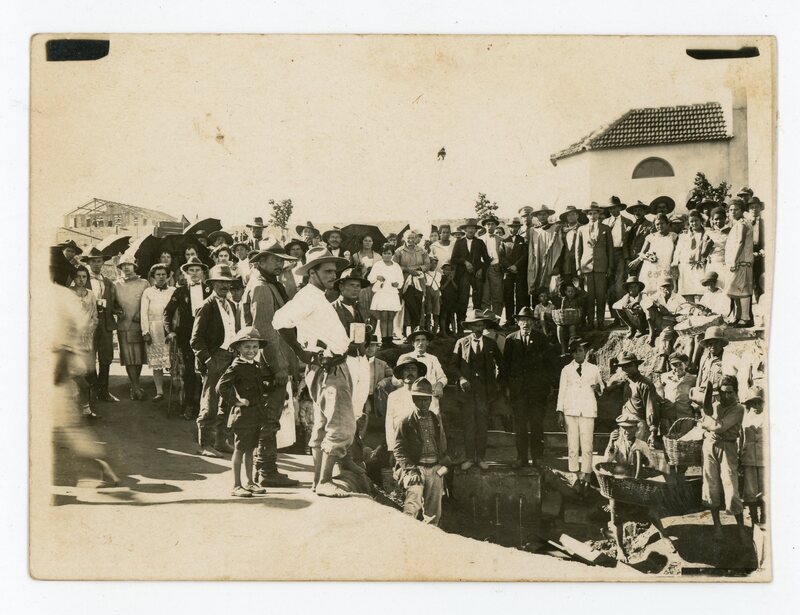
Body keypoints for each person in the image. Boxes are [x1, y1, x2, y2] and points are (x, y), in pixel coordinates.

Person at [273, 249, 356, 498]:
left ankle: (318, 480)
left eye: (334, 271)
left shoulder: (318, 296)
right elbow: (279, 321)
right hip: (328, 368)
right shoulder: (308, 296)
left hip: (332, 365)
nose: (333, 276)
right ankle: (325, 481)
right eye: (327, 271)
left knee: (322, 425)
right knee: (341, 426)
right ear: (312, 272)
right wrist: (300, 352)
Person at [241, 241, 301, 486]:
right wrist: (278, 367)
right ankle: (266, 470)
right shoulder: (261, 287)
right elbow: (264, 330)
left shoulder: (267, 283)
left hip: (270, 359)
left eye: (281, 260)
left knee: (270, 417)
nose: (280, 264)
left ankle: (264, 468)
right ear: (261, 261)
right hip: (268, 363)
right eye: (275, 259)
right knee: (270, 418)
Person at [191, 263, 241, 458]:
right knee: (210, 402)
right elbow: (196, 340)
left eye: (227, 282)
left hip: (231, 356)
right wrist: (208, 360)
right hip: (215, 357)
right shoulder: (206, 306)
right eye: (220, 282)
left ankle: (221, 440)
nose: (225, 286)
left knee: (227, 401)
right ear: (212, 284)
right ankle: (205, 444)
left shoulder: (231, 305)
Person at [216, 327, 271, 497]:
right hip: (242, 416)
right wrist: (237, 401)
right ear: (238, 348)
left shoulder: (254, 366)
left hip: (255, 414)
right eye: (247, 347)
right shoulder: (236, 366)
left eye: (255, 347)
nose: (251, 351)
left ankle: (250, 482)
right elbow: (221, 387)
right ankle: (236, 485)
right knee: (239, 449)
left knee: (250, 449)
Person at [393, 377, 450, 526]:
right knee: (412, 503)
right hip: (416, 467)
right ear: (414, 400)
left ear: (430, 400)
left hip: (435, 467)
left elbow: (447, 441)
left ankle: (431, 535)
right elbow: (398, 449)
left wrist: (444, 461)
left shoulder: (437, 419)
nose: (424, 403)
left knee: (434, 511)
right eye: (419, 399)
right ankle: (406, 532)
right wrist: (411, 470)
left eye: (426, 399)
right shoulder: (406, 421)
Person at [699, 375, 748, 542]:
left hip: (728, 447)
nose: (726, 396)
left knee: (731, 485)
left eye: (730, 392)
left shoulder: (738, 409)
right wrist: (708, 429)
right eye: (723, 392)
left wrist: (707, 425)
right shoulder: (714, 405)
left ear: (736, 391)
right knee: (710, 485)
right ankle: (717, 526)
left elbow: (719, 427)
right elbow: (706, 419)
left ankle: (741, 528)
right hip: (709, 446)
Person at [503, 306, 553, 466]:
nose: (526, 324)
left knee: (537, 424)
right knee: (520, 426)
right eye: (523, 320)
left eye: (529, 321)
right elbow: (505, 366)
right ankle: (521, 458)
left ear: (534, 323)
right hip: (518, 392)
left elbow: (549, 364)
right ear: (518, 322)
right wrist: (506, 387)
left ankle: (537, 457)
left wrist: (548, 386)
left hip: (537, 392)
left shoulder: (541, 339)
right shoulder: (510, 340)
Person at [163, 256, 210, 420]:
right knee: (189, 372)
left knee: (206, 370)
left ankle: (205, 406)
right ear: (186, 273)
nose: (195, 273)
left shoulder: (209, 289)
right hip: (186, 336)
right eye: (191, 270)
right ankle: (189, 405)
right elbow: (167, 313)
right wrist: (170, 331)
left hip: (207, 336)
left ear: (202, 272)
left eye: (198, 270)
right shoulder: (180, 291)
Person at [454, 309, 502, 470]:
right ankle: (469, 458)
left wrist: (497, 382)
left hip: (484, 392)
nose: (478, 328)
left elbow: (501, 364)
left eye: (480, 325)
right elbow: (453, 365)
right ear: (469, 327)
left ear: (484, 326)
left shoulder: (491, 343)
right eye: (474, 325)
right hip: (467, 392)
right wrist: (461, 378)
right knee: (469, 424)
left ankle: (480, 458)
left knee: (482, 424)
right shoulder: (461, 343)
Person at [556, 338, 604, 490]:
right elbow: (562, 391)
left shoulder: (594, 369)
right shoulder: (566, 370)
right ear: (572, 354)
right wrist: (560, 412)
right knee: (573, 445)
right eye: (575, 352)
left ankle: (587, 474)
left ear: (585, 352)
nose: (578, 354)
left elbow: (601, 386)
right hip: (570, 411)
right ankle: (575, 475)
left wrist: (598, 388)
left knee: (587, 445)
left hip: (588, 410)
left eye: (580, 351)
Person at [82, 247, 120, 402]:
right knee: (89, 357)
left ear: (103, 262)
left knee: (106, 357)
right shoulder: (83, 280)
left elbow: (114, 302)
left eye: (99, 261)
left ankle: (104, 390)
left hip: (105, 323)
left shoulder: (108, 282)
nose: (96, 264)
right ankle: (92, 390)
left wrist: (118, 310)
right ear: (88, 263)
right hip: (88, 324)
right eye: (93, 262)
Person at [114, 252, 150, 401]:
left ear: (134, 266)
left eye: (129, 265)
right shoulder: (115, 284)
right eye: (123, 265)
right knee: (129, 358)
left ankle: (136, 385)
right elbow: (112, 303)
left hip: (139, 324)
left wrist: (141, 313)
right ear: (120, 267)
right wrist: (117, 310)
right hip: (124, 325)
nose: (126, 268)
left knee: (138, 357)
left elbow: (149, 301)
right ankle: (135, 387)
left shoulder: (144, 283)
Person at [140, 263, 176, 402]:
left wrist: (174, 329)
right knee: (157, 362)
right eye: (158, 275)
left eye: (163, 274)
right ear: (153, 277)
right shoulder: (148, 292)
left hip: (170, 329)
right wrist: (145, 331)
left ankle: (178, 389)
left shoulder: (173, 290)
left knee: (174, 360)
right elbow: (143, 313)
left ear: (168, 276)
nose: (161, 277)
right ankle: (159, 391)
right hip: (154, 329)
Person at [576, 203, 614, 329]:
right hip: (586, 266)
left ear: (599, 214)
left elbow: (610, 249)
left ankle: (601, 321)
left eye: (595, 213)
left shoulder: (606, 229)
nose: (593, 216)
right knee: (589, 296)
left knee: (601, 295)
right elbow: (578, 250)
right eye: (590, 213)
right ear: (587, 215)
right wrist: (578, 268)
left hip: (601, 266)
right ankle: (590, 321)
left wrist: (610, 267)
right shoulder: (581, 229)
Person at [450, 218, 491, 332]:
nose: (471, 230)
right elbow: (454, 259)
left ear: (476, 230)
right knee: (463, 299)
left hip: (477, 274)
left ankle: (477, 326)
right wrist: (465, 262)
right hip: (463, 274)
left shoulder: (480, 242)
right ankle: (461, 327)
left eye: (473, 228)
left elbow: (487, 259)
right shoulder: (459, 242)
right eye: (469, 228)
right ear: (465, 230)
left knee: (477, 300)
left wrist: (481, 269)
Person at [609, 351, 659, 445]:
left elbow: (651, 409)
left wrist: (653, 431)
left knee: (638, 450)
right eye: (623, 367)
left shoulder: (645, 384)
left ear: (636, 366)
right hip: (624, 424)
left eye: (629, 366)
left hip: (638, 425)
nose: (626, 369)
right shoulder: (625, 383)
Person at [70, 265, 100, 417]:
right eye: (78, 276)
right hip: (72, 337)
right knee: (74, 371)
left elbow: (95, 315)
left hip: (87, 337)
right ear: (73, 278)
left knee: (87, 370)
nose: (81, 280)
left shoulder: (91, 294)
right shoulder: (68, 294)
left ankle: (87, 408)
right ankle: (73, 407)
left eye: (84, 277)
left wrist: (89, 329)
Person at [398, 327, 447, 415]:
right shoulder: (404, 358)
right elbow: (396, 379)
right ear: (412, 343)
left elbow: (442, 377)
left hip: (429, 396)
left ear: (427, 342)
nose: (420, 343)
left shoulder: (433, 359)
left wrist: (440, 385)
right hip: (410, 396)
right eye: (417, 340)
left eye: (423, 340)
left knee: (434, 417)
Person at [385, 356, 428, 451]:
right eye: (407, 369)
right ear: (401, 373)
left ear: (418, 374)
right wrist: (392, 448)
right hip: (400, 443)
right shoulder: (393, 396)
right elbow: (389, 423)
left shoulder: (424, 395)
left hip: (420, 443)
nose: (410, 372)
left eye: (413, 369)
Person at [601, 196, 632, 324]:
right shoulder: (604, 223)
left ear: (620, 207)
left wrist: (627, 258)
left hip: (621, 254)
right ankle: (614, 317)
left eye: (615, 208)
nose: (613, 210)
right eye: (611, 208)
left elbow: (630, 242)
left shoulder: (628, 222)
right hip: (607, 255)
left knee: (620, 286)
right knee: (609, 287)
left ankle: (623, 317)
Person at [724, 199, 755, 327]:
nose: (733, 212)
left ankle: (745, 318)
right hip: (737, 262)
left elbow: (740, 242)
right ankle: (738, 316)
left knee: (742, 289)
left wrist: (734, 260)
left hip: (741, 261)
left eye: (736, 209)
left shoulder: (742, 223)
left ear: (742, 210)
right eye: (731, 210)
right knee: (735, 289)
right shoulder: (737, 224)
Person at [630, 214, 677, 296]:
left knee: (665, 291)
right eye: (657, 224)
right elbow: (642, 253)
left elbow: (677, 252)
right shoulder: (650, 237)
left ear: (667, 224)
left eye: (662, 223)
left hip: (666, 267)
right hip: (651, 267)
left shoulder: (673, 236)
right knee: (650, 291)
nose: (660, 226)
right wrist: (648, 257)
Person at [393, 231, 430, 335]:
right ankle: (403, 332)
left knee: (418, 304)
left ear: (416, 239)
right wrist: (407, 270)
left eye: (413, 238)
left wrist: (418, 269)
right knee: (406, 305)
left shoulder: (421, 250)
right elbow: (394, 266)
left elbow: (427, 264)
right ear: (404, 238)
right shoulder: (399, 251)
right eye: (408, 238)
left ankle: (416, 330)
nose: (410, 240)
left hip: (419, 280)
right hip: (404, 281)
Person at [671, 211, 713, 302]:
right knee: (688, 293)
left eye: (696, 220)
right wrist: (675, 264)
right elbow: (677, 251)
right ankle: (690, 309)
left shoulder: (707, 233)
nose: (694, 223)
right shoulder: (683, 235)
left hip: (701, 266)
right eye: (691, 221)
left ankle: (702, 309)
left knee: (702, 292)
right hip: (686, 267)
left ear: (701, 220)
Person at [368, 242, 404, 348]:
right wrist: (377, 277)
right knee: (384, 317)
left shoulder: (396, 266)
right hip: (382, 293)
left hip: (392, 293)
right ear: (382, 254)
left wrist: (397, 284)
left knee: (391, 317)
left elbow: (401, 280)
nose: (387, 255)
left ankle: (389, 340)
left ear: (392, 254)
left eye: (389, 253)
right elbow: (370, 279)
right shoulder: (378, 265)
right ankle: (384, 340)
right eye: (384, 253)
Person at [740, 385, 766, 525]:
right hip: (748, 457)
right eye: (753, 402)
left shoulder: (768, 416)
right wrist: (739, 456)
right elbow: (740, 438)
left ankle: (764, 517)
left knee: (765, 489)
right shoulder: (744, 417)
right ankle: (754, 520)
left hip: (764, 458)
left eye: (759, 402)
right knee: (750, 491)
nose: (756, 406)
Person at [655, 352, 697, 438]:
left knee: (685, 441)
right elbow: (658, 393)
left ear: (686, 364)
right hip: (667, 417)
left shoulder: (693, 379)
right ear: (670, 365)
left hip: (685, 416)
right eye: (674, 365)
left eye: (680, 364)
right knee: (668, 441)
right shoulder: (664, 377)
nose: (677, 368)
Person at [527, 204, 564, 296]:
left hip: (550, 261)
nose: (542, 217)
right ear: (537, 216)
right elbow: (531, 249)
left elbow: (559, 247)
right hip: (537, 262)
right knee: (536, 286)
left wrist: (556, 264)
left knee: (550, 287)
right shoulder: (533, 230)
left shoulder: (555, 228)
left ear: (548, 215)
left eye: (544, 214)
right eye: (540, 215)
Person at [501, 217, 529, 326]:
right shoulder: (504, 241)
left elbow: (525, 255)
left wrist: (516, 266)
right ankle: (510, 319)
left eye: (516, 227)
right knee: (508, 295)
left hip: (519, 271)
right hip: (508, 272)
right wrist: (510, 266)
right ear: (508, 228)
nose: (513, 229)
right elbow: (501, 256)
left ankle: (519, 319)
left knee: (520, 294)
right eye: (511, 227)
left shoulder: (523, 240)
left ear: (519, 228)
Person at [480, 215, 504, 316]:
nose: (490, 226)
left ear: (495, 226)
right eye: (488, 224)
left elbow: (504, 256)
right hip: (484, 269)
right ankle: (487, 320)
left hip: (496, 269)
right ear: (485, 226)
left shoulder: (501, 239)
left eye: (492, 224)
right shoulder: (479, 239)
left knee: (497, 296)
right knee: (485, 296)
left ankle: (496, 320)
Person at [556, 206, 585, 287]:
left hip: (578, 265)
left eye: (573, 214)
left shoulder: (583, 228)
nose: (570, 217)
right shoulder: (562, 230)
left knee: (579, 288)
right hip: (565, 265)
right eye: (568, 215)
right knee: (565, 288)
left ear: (577, 215)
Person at [625, 201, 655, 277]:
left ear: (645, 212)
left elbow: (652, 245)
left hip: (644, 261)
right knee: (632, 281)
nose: (637, 213)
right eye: (635, 211)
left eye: (640, 210)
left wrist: (639, 259)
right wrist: (627, 259)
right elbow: (625, 244)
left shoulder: (651, 226)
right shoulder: (630, 227)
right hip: (631, 262)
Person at [747, 196, 766, 302]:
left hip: (761, 254)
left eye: (756, 207)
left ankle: (761, 303)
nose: (754, 209)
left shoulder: (764, 223)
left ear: (760, 208)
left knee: (760, 280)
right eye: (751, 207)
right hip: (748, 254)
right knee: (750, 281)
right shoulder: (745, 223)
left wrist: (763, 251)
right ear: (748, 210)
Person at [555, 281, 582, 355]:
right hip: (565, 321)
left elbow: (580, 311)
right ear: (565, 292)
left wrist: (578, 288)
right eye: (568, 291)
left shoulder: (578, 299)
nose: (570, 293)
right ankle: (563, 349)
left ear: (575, 292)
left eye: (572, 291)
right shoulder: (564, 299)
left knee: (572, 327)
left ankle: (572, 348)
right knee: (559, 328)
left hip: (574, 321)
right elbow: (562, 310)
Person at [421, 256, 442, 333]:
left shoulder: (438, 274)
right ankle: (428, 331)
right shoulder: (425, 274)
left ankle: (435, 331)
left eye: (435, 263)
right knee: (428, 312)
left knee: (436, 312)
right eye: (431, 263)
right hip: (428, 293)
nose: (433, 265)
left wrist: (440, 295)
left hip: (436, 292)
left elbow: (438, 285)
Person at [439, 262, 458, 337]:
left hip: (452, 300)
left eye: (449, 270)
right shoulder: (442, 278)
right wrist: (448, 281)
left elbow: (456, 288)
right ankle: (444, 332)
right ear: (443, 270)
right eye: (446, 269)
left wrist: (452, 280)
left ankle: (454, 332)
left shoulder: (454, 278)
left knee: (452, 316)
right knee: (443, 316)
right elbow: (442, 288)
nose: (448, 271)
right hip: (444, 300)